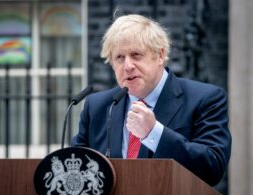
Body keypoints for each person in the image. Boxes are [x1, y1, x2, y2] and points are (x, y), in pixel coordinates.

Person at [72, 14, 231, 186]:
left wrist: (154, 133)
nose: (128, 66)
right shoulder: (97, 107)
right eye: (119, 58)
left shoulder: (205, 98)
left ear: (160, 55)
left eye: (136, 54)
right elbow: (75, 168)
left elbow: (212, 167)